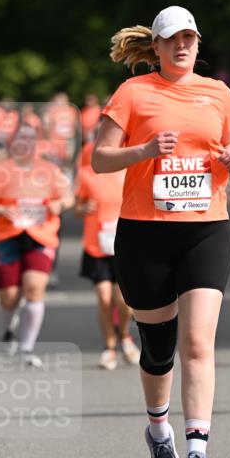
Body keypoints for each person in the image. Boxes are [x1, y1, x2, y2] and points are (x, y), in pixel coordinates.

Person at [91, 5, 230, 458]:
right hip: (146, 232)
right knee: (158, 351)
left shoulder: (218, 93)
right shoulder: (133, 93)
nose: (182, 46)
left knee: (198, 342)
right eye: (171, 39)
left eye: (190, 38)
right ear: (154, 47)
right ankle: (160, 432)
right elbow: (99, 159)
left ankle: (197, 454)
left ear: (199, 45)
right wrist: (144, 150)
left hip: (206, 229)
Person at [0, 125, 74, 366]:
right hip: (7, 235)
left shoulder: (50, 170)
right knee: (9, 297)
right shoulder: (2, 171)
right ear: (13, 143)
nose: (26, 143)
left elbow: (68, 197)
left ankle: (27, 348)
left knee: (33, 288)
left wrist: (59, 206)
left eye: (31, 139)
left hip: (41, 235)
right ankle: (9, 327)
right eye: (21, 138)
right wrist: (2, 209)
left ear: (37, 143)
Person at [74, 158, 139, 370]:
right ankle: (109, 347)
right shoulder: (86, 174)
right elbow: (76, 209)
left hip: (125, 244)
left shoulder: (131, 168)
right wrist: (83, 208)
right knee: (103, 297)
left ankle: (125, 335)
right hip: (97, 245)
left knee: (123, 300)